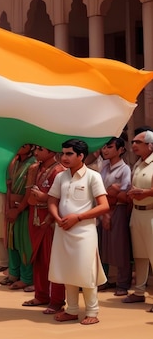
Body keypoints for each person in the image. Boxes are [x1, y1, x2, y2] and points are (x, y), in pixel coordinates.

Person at [47, 139, 109, 325]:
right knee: (68, 271)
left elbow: (104, 206)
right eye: (63, 153)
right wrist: (58, 218)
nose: (64, 157)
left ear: (81, 156)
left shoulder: (93, 176)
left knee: (86, 271)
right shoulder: (61, 177)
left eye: (69, 154)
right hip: (63, 230)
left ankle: (92, 311)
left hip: (84, 231)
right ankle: (72, 310)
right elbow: (52, 200)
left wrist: (78, 217)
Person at [25, 146, 65, 313]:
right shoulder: (35, 168)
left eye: (40, 149)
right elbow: (29, 197)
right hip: (35, 215)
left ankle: (56, 300)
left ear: (50, 151)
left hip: (50, 219)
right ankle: (41, 295)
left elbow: (62, 197)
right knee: (38, 258)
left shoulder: (59, 171)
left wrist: (44, 198)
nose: (36, 153)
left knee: (52, 260)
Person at [122, 129, 153, 311]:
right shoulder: (139, 164)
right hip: (137, 212)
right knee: (140, 255)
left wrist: (146, 193)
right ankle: (139, 291)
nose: (133, 145)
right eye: (132, 142)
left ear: (150, 145)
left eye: (138, 142)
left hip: (150, 212)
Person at [98, 137, 131, 297]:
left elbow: (124, 195)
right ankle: (106, 280)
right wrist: (112, 192)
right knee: (103, 246)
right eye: (104, 147)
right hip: (103, 210)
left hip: (118, 210)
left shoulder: (125, 169)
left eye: (109, 147)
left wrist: (113, 193)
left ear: (120, 150)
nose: (105, 150)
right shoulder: (103, 167)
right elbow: (102, 192)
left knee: (120, 247)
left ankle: (123, 283)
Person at [3, 144, 35, 289]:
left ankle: (27, 278)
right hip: (12, 206)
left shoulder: (33, 163)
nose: (20, 147)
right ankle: (13, 274)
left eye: (24, 145)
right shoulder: (14, 162)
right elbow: (8, 186)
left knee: (24, 244)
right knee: (12, 242)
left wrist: (18, 209)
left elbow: (29, 192)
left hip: (24, 208)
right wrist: (9, 208)